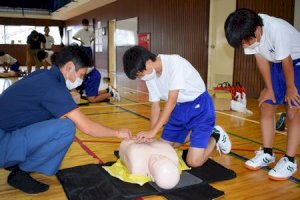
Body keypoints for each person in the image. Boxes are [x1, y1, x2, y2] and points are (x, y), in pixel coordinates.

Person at [0, 46, 131, 194]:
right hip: (2, 140)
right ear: (69, 67)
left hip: (6, 132)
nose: (81, 81)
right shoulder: (51, 86)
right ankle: (20, 173)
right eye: (81, 75)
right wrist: (117, 132)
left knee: (58, 118)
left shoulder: (44, 75)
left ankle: (14, 160)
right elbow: (87, 127)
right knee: (66, 128)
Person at [123, 46, 232, 168]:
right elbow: (155, 106)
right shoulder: (150, 76)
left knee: (194, 162)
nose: (142, 78)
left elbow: (171, 102)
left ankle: (215, 135)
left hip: (200, 108)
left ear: (147, 62)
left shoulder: (175, 63)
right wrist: (151, 134)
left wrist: (153, 132)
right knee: (164, 148)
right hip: (180, 109)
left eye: (140, 74)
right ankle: (197, 133)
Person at [224, 8, 299, 180]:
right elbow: (261, 58)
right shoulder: (248, 33)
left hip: (296, 62)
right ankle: (267, 153)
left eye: (247, 41)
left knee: (294, 110)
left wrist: (291, 88)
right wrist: (269, 88)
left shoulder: (276, 29)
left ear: (258, 29)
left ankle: (289, 161)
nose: (247, 45)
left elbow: (287, 60)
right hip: (278, 64)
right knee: (266, 104)